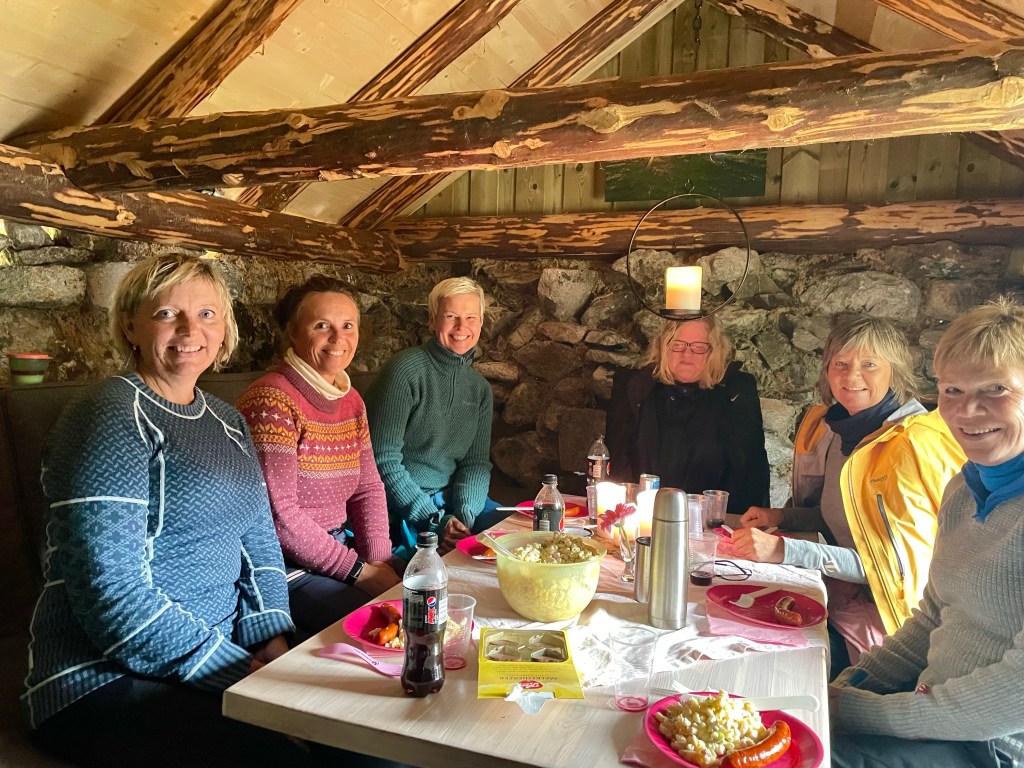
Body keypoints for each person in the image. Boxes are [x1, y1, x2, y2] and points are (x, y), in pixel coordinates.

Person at [21, 254, 306, 767]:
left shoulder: (227, 420)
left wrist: (271, 637)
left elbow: (258, 537)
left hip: (217, 656)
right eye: (166, 314)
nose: (190, 330)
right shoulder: (108, 414)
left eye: (207, 314)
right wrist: (239, 673)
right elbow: (111, 596)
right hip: (103, 679)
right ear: (130, 325)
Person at [830, 299, 1024, 768]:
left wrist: (858, 712)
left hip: (996, 749)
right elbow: (931, 617)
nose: (968, 410)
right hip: (935, 716)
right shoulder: (963, 489)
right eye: (953, 390)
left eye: (995, 388)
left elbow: (1015, 694)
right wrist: (846, 688)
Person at [734, 316, 964, 671]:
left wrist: (785, 550)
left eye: (869, 364)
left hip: (894, 625)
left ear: (894, 372)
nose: (851, 376)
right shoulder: (836, 432)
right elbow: (839, 518)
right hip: (841, 593)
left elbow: (893, 570)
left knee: (762, 655)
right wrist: (780, 516)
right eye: (840, 363)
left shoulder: (909, 445)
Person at [238, 276, 399, 639]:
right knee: (381, 628)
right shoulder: (271, 401)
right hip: (282, 565)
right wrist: (361, 573)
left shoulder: (350, 399)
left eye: (348, 326)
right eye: (322, 326)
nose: (338, 338)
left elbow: (368, 488)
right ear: (293, 332)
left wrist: (379, 562)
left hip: (337, 549)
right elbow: (278, 516)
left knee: (431, 596)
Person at [365, 276, 500, 559]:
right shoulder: (404, 371)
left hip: (455, 502)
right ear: (432, 321)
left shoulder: (480, 390)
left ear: (481, 323)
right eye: (451, 317)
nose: (461, 327)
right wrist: (435, 521)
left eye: (471, 317)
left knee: (514, 540)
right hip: (405, 504)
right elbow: (382, 459)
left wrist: (464, 517)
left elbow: (475, 464)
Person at [606, 316, 770, 513]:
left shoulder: (735, 394)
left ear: (713, 351)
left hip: (712, 520)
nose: (687, 354)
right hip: (643, 516)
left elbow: (750, 471)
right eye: (677, 345)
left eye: (698, 347)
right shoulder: (637, 390)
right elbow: (618, 464)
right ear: (663, 347)